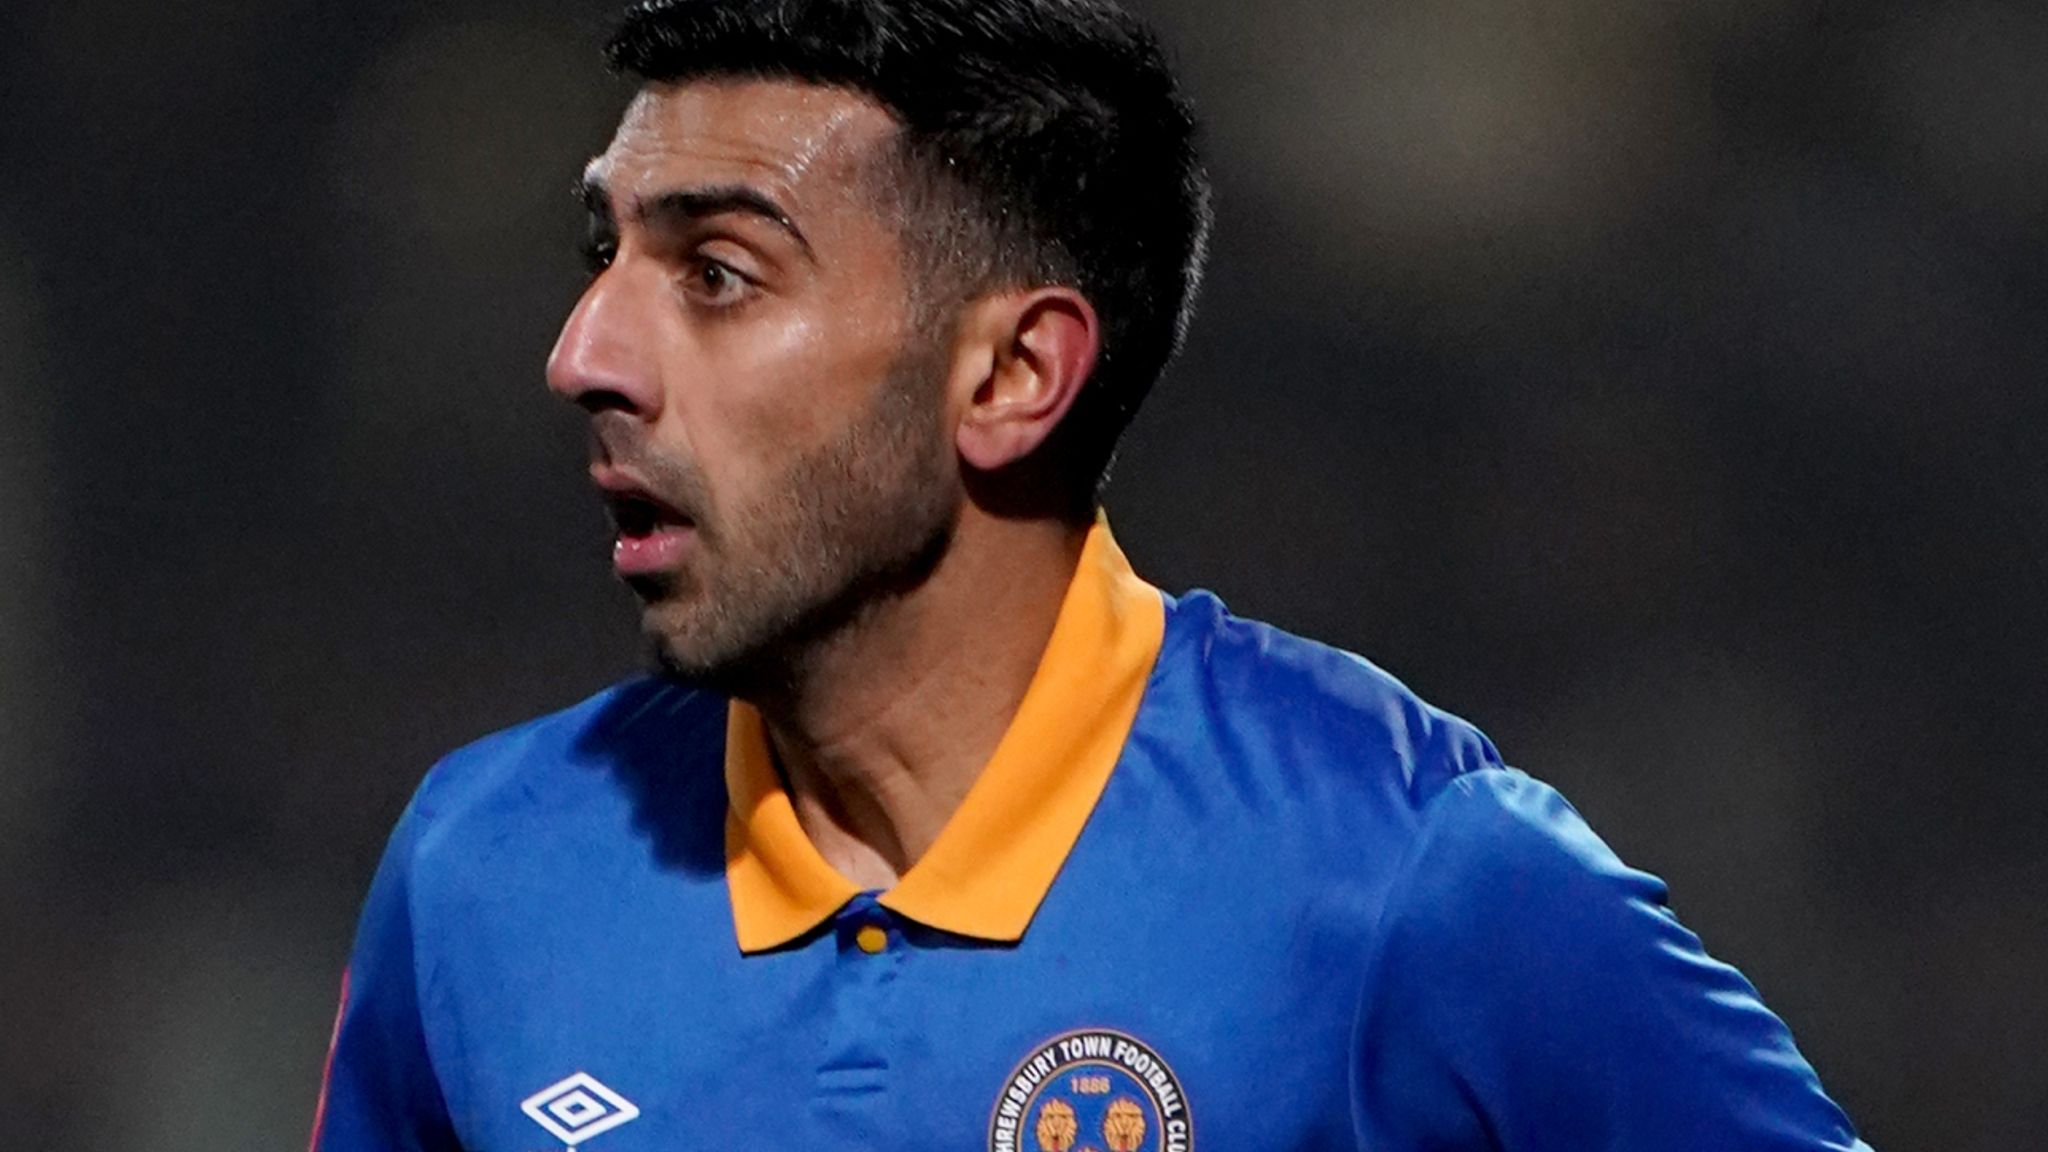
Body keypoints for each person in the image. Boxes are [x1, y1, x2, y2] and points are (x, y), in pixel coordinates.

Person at [310, 1, 1873, 1150]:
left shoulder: (1407, 877)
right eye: (604, 256)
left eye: (717, 275)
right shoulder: (484, 871)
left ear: (1013, 374)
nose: (584, 353)